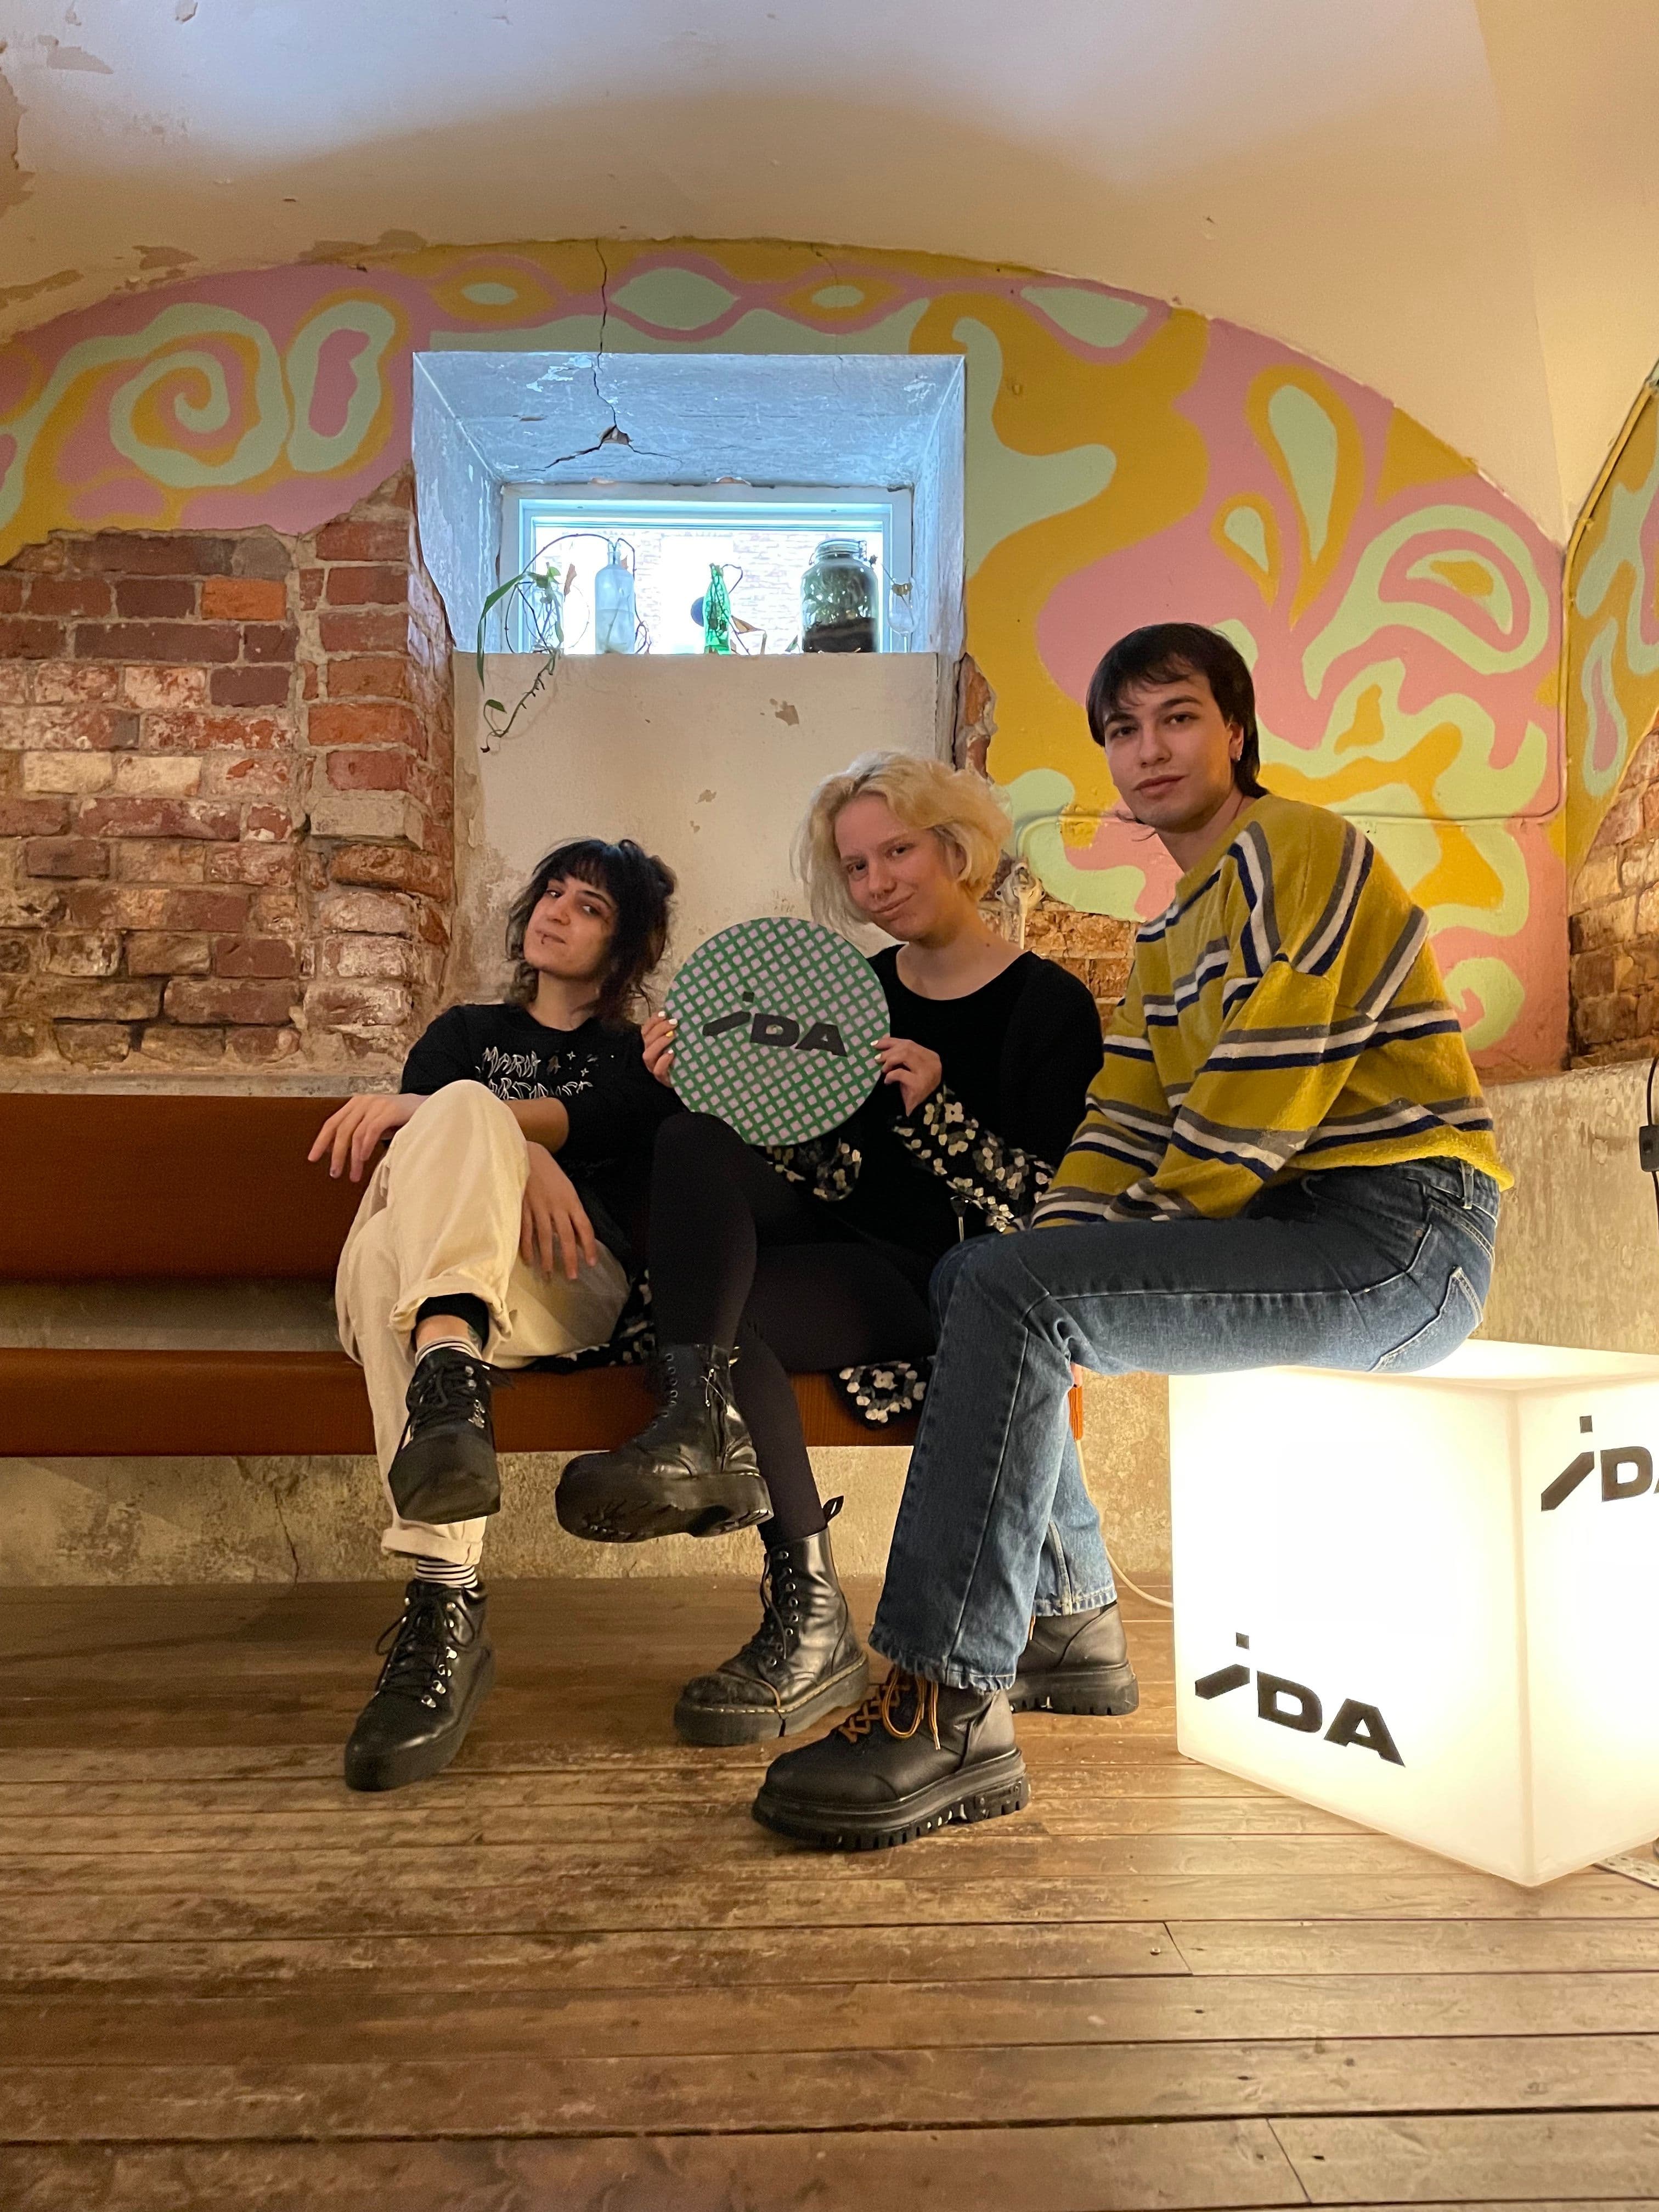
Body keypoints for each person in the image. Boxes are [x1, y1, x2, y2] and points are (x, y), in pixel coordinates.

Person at [751, 620, 1511, 1850]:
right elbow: (1122, 1120)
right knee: (983, 1275)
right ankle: (1068, 1620)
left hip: (1403, 1236)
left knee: (1013, 1290)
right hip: (1291, 1224)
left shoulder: (1300, 848)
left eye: (1177, 717)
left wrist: (1065, 1275)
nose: (1148, 749)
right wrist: (1051, 1252)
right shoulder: (1165, 936)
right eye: (1122, 729)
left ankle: (948, 1703)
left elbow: (1266, 1086)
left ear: (1236, 731)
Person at [555, 753, 1112, 1750]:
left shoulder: (1049, 1004)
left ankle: (797, 1609)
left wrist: (937, 1109)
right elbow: (827, 1165)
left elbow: (1045, 1212)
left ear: (956, 848)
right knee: (695, 1160)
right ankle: (761, 1535)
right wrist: (711, 1084)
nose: (877, 882)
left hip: (952, 1279)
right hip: (845, 1248)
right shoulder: (854, 995)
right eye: (856, 867)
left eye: (897, 852)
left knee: (720, 1317)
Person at [311, 837, 677, 1792]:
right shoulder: (462, 1031)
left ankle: (444, 1595)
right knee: (391, 1249)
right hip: (437, 1276)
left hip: (561, 1287)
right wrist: (520, 1149)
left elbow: (552, 1122)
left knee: (401, 1241)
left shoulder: (632, 1057)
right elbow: (421, 1154)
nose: (556, 911)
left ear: (625, 945)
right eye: (551, 892)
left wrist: (510, 1139)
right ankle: (450, 1385)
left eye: (589, 906)